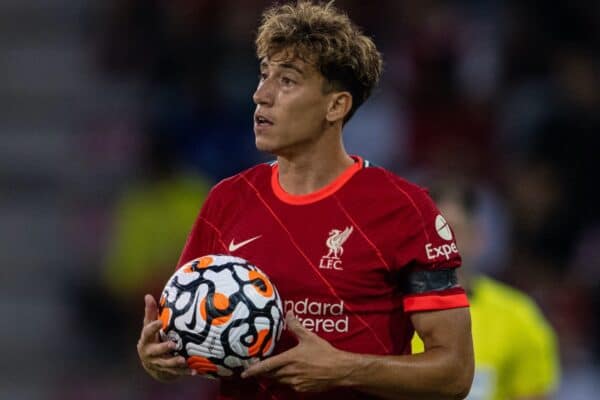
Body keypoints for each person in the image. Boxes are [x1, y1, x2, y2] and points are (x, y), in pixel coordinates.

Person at [137, 2, 474, 399]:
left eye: (287, 81)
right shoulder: (227, 200)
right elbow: (188, 336)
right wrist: (159, 359)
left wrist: (345, 369)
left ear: (336, 105)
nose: (260, 95)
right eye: (264, 76)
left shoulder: (404, 210)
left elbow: (454, 373)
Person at [412, 178, 560, 400]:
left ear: (477, 238)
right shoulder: (390, 314)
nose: (443, 243)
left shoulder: (518, 316)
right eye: (433, 231)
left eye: (454, 230)